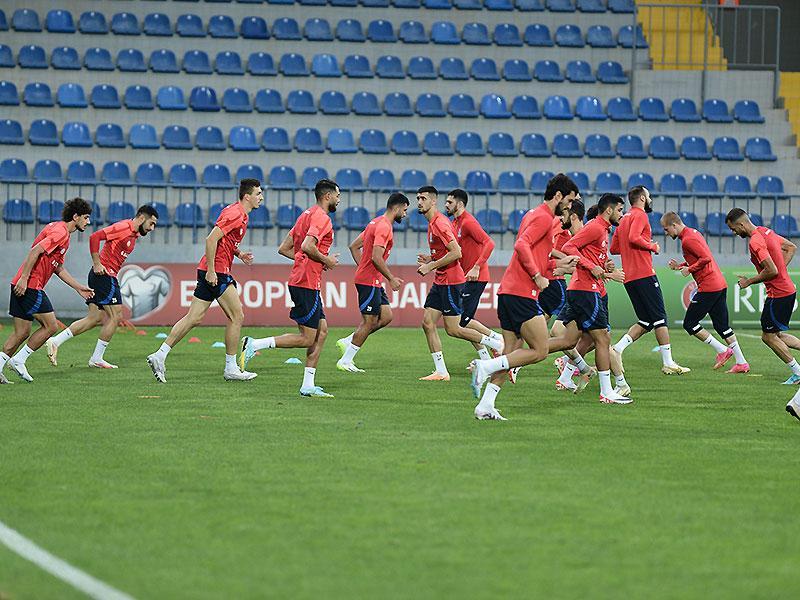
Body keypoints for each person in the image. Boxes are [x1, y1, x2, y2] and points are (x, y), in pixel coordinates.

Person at [469, 173, 580, 419]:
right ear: (558, 196)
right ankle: (485, 366)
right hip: (522, 293)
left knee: (511, 355)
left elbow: (537, 256)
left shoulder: (534, 214)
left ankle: (485, 405)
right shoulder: (544, 217)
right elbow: (521, 245)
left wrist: (560, 266)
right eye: (570, 200)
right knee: (540, 350)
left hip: (509, 291)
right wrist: (537, 276)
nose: (570, 206)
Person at [146, 179, 262, 383]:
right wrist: (211, 270)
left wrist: (239, 253)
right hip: (216, 271)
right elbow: (211, 239)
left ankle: (160, 355)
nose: (261, 197)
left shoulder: (239, 213)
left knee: (194, 317)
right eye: (258, 193)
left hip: (212, 269)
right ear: (247, 196)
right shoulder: (235, 214)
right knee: (237, 316)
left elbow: (225, 240)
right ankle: (231, 368)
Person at [240, 179, 341, 397]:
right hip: (306, 283)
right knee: (307, 338)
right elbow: (307, 245)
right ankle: (254, 344)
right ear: (327, 196)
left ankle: (308, 385)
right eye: (337, 195)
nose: (339, 200)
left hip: (304, 279)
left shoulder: (305, 215)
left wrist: (311, 261)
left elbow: (285, 248)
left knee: (322, 332)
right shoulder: (322, 218)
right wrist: (326, 260)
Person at [45, 205, 159, 369]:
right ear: (142, 218)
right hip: (104, 275)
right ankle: (97, 358)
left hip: (101, 276)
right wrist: (97, 263)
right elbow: (95, 237)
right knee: (116, 316)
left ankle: (56, 341)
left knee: (94, 318)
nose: (152, 228)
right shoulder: (123, 227)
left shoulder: (134, 234)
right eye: (151, 223)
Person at [544, 194, 629, 404]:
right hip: (586, 290)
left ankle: (515, 359)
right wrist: (593, 267)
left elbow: (592, 256)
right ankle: (607, 391)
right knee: (603, 339)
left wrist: (605, 265)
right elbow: (568, 247)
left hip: (580, 289)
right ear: (609, 210)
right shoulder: (596, 227)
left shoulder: (603, 230)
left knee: (569, 341)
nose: (622, 214)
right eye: (620, 210)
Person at [1, 197, 94, 383]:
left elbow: (58, 268)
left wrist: (78, 287)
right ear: (75, 217)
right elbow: (35, 251)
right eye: (86, 217)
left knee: (21, 333)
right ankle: (19, 360)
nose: (88, 222)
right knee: (51, 326)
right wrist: (25, 279)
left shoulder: (60, 231)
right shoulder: (60, 232)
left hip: (21, 283)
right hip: (30, 285)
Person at [416, 186, 503, 381]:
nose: (419, 202)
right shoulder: (439, 223)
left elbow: (457, 252)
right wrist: (431, 259)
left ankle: (497, 344)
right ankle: (441, 371)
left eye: (423, 198)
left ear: (433, 201)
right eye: (418, 198)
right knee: (428, 323)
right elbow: (446, 251)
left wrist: (431, 266)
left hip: (452, 281)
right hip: (442, 279)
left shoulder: (442, 223)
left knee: (456, 328)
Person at [610, 186, 690, 375]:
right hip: (644, 274)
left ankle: (617, 349)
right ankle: (668, 362)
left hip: (629, 277)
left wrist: (631, 250)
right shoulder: (640, 215)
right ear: (642, 198)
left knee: (646, 320)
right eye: (649, 196)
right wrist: (651, 246)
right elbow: (634, 237)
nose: (650, 199)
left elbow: (614, 248)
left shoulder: (623, 219)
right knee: (660, 318)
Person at [661, 211, 749, 372]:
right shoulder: (693, 233)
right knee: (722, 326)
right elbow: (698, 257)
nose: (666, 233)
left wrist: (689, 269)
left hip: (709, 286)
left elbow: (706, 258)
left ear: (674, 225)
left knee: (690, 324)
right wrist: (681, 266)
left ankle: (722, 350)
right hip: (719, 283)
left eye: (666, 229)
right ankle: (742, 362)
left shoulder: (687, 240)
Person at [335, 192, 409, 372]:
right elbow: (376, 257)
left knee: (387, 316)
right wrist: (391, 278)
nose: (405, 214)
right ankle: (345, 361)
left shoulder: (375, 222)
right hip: (369, 280)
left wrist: (364, 268)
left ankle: (349, 340)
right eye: (405, 210)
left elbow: (354, 246)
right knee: (369, 322)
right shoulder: (384, 227)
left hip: (372, 279)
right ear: (397, 208)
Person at [726, 208, 800, 383]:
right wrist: (781, 271)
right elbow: (791, 247)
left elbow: (772, 270)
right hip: (787, 290)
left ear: (741, 224)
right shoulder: (765, 231)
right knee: (776, 335)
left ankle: (798, 372)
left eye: (733, 228)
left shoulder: (755, 241)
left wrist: (749, 281)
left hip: (778, 294)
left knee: (768, 337)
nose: (734, 232)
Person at [446, 188, 504, 361]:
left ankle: (497, 341)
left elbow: (489, 243)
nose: (446, 205)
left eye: (450, 202)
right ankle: (487, 355)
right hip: (465, 277)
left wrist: (477, 267)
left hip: (476, 277)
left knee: (462, 321)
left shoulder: (468, 222)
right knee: (464, 321)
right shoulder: (455, 223)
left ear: (460, 204)